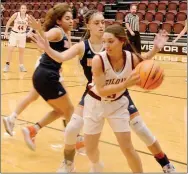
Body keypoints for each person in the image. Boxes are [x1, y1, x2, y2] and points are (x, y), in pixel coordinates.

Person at [30, 10, 175, 173]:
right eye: (97, 23)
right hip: (95, 93)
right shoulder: (84, 47)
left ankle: (166, 164)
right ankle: (69, 163)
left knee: (140, 130)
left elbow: (142, 60)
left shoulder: (119, 44)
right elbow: (61, 57)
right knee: (72, 130)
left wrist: (155, 48)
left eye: (103, 22)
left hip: (119, 94)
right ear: (88, 25)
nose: (101, 26)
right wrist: (46, 46)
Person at [3, 3, 74, 151]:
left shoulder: (65, 33)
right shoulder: (57, 31)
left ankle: (16, 121)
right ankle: (73, 141)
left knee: (41, 100)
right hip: (47, 71)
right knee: (68, 109)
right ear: (59, 20)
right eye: (67, 18)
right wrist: (38, 30)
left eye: (72, 18)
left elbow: (63, 53)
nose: (71, 21)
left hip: (49, 71)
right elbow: (46, 36)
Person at [3, 4, 33, 72]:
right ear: (20, 9)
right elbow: (8, 22)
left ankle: (21, 66)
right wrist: (6, 32)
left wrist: (30, 31)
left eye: (24, 8)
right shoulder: (16, 15)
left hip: (22, 35)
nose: (23, 9)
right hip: (14, 34)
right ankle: (7, 65)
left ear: (26, 10)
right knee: (10, 50)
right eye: (22, 8)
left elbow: (32, 25)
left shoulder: (27, 17)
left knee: (21, 51)